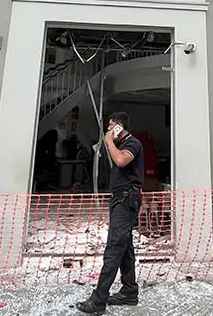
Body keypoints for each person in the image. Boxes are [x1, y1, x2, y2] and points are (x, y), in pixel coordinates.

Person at [76, 111, 144, 315]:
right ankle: (129, 291)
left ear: (119, 127)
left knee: (114, 246)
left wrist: (108, 140)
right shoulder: (122, 145)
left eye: (110, 126)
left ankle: (98, 301)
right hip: (120, 199)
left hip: (125, 199)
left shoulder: (133, 144)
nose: (107, 130)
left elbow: (121, 161)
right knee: (125, 246)